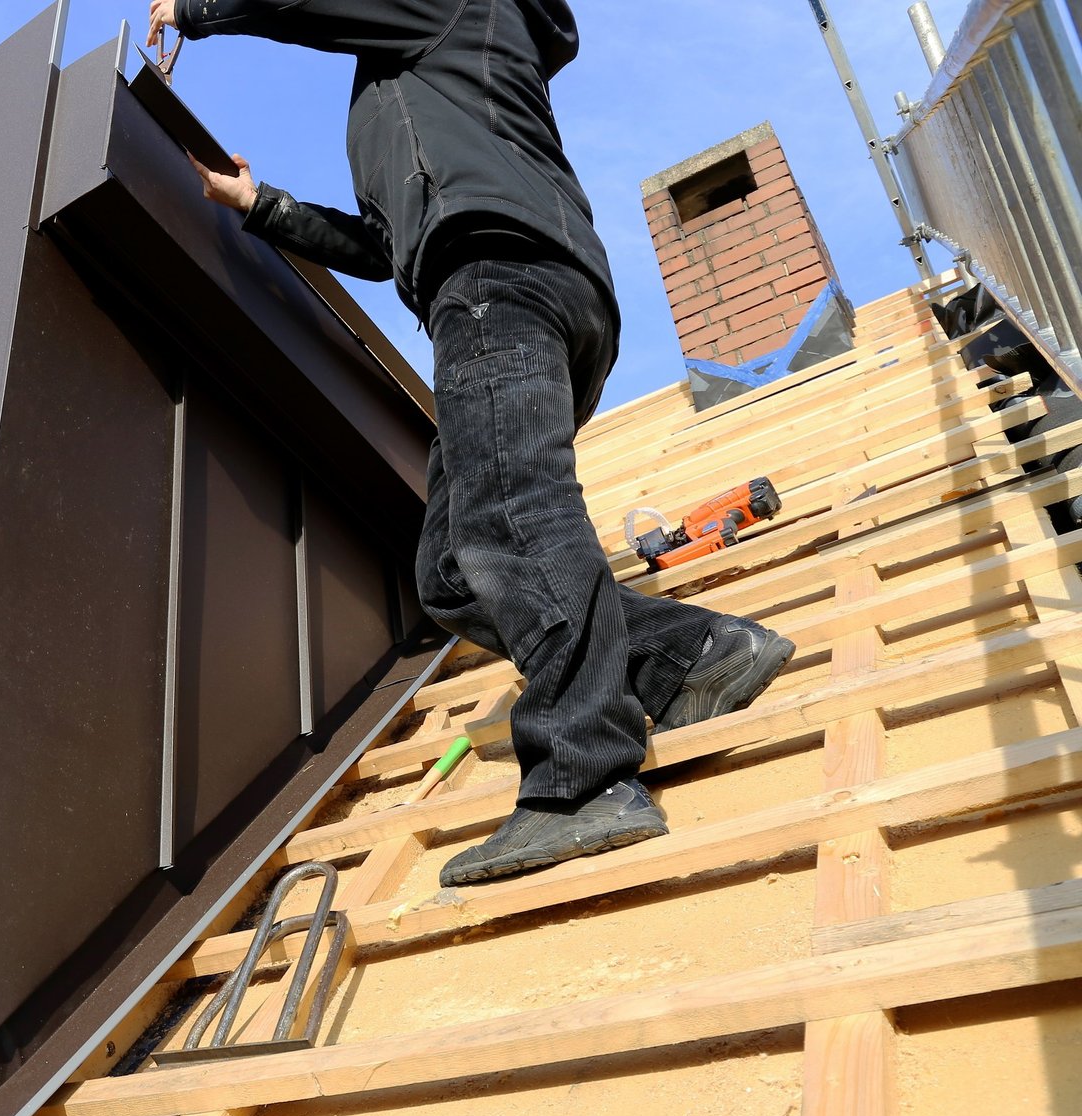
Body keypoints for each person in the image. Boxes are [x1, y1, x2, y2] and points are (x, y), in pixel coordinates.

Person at [149, 0, 795, 887]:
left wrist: (199, 9)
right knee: (454, 570)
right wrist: (263, 205)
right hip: (516, 287)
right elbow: (384, 246)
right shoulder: (408, 86)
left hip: (498, 275)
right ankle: (697, 656)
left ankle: (586, 782)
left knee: (514, 521)